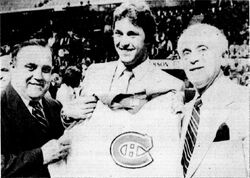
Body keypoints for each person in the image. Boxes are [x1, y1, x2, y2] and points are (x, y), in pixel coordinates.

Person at [50, 1, 184, 177]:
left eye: (132, 34)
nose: (123, 42)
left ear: (149, 38)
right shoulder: (94, 74)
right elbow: (78, 126)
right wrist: (66, 116)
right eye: (118, 34)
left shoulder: (170, 86)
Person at [177, 23, 249, 178]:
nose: (193, 59)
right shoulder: (183, 113)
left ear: (223, 57)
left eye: (202, 49)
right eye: (186, 53)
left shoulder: (245, 101)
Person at [1, 39, 71, 177]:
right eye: (30, 67)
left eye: (46, 69)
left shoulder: (54, 106)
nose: (39, 76)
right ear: (12, 67)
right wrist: (41, 155)